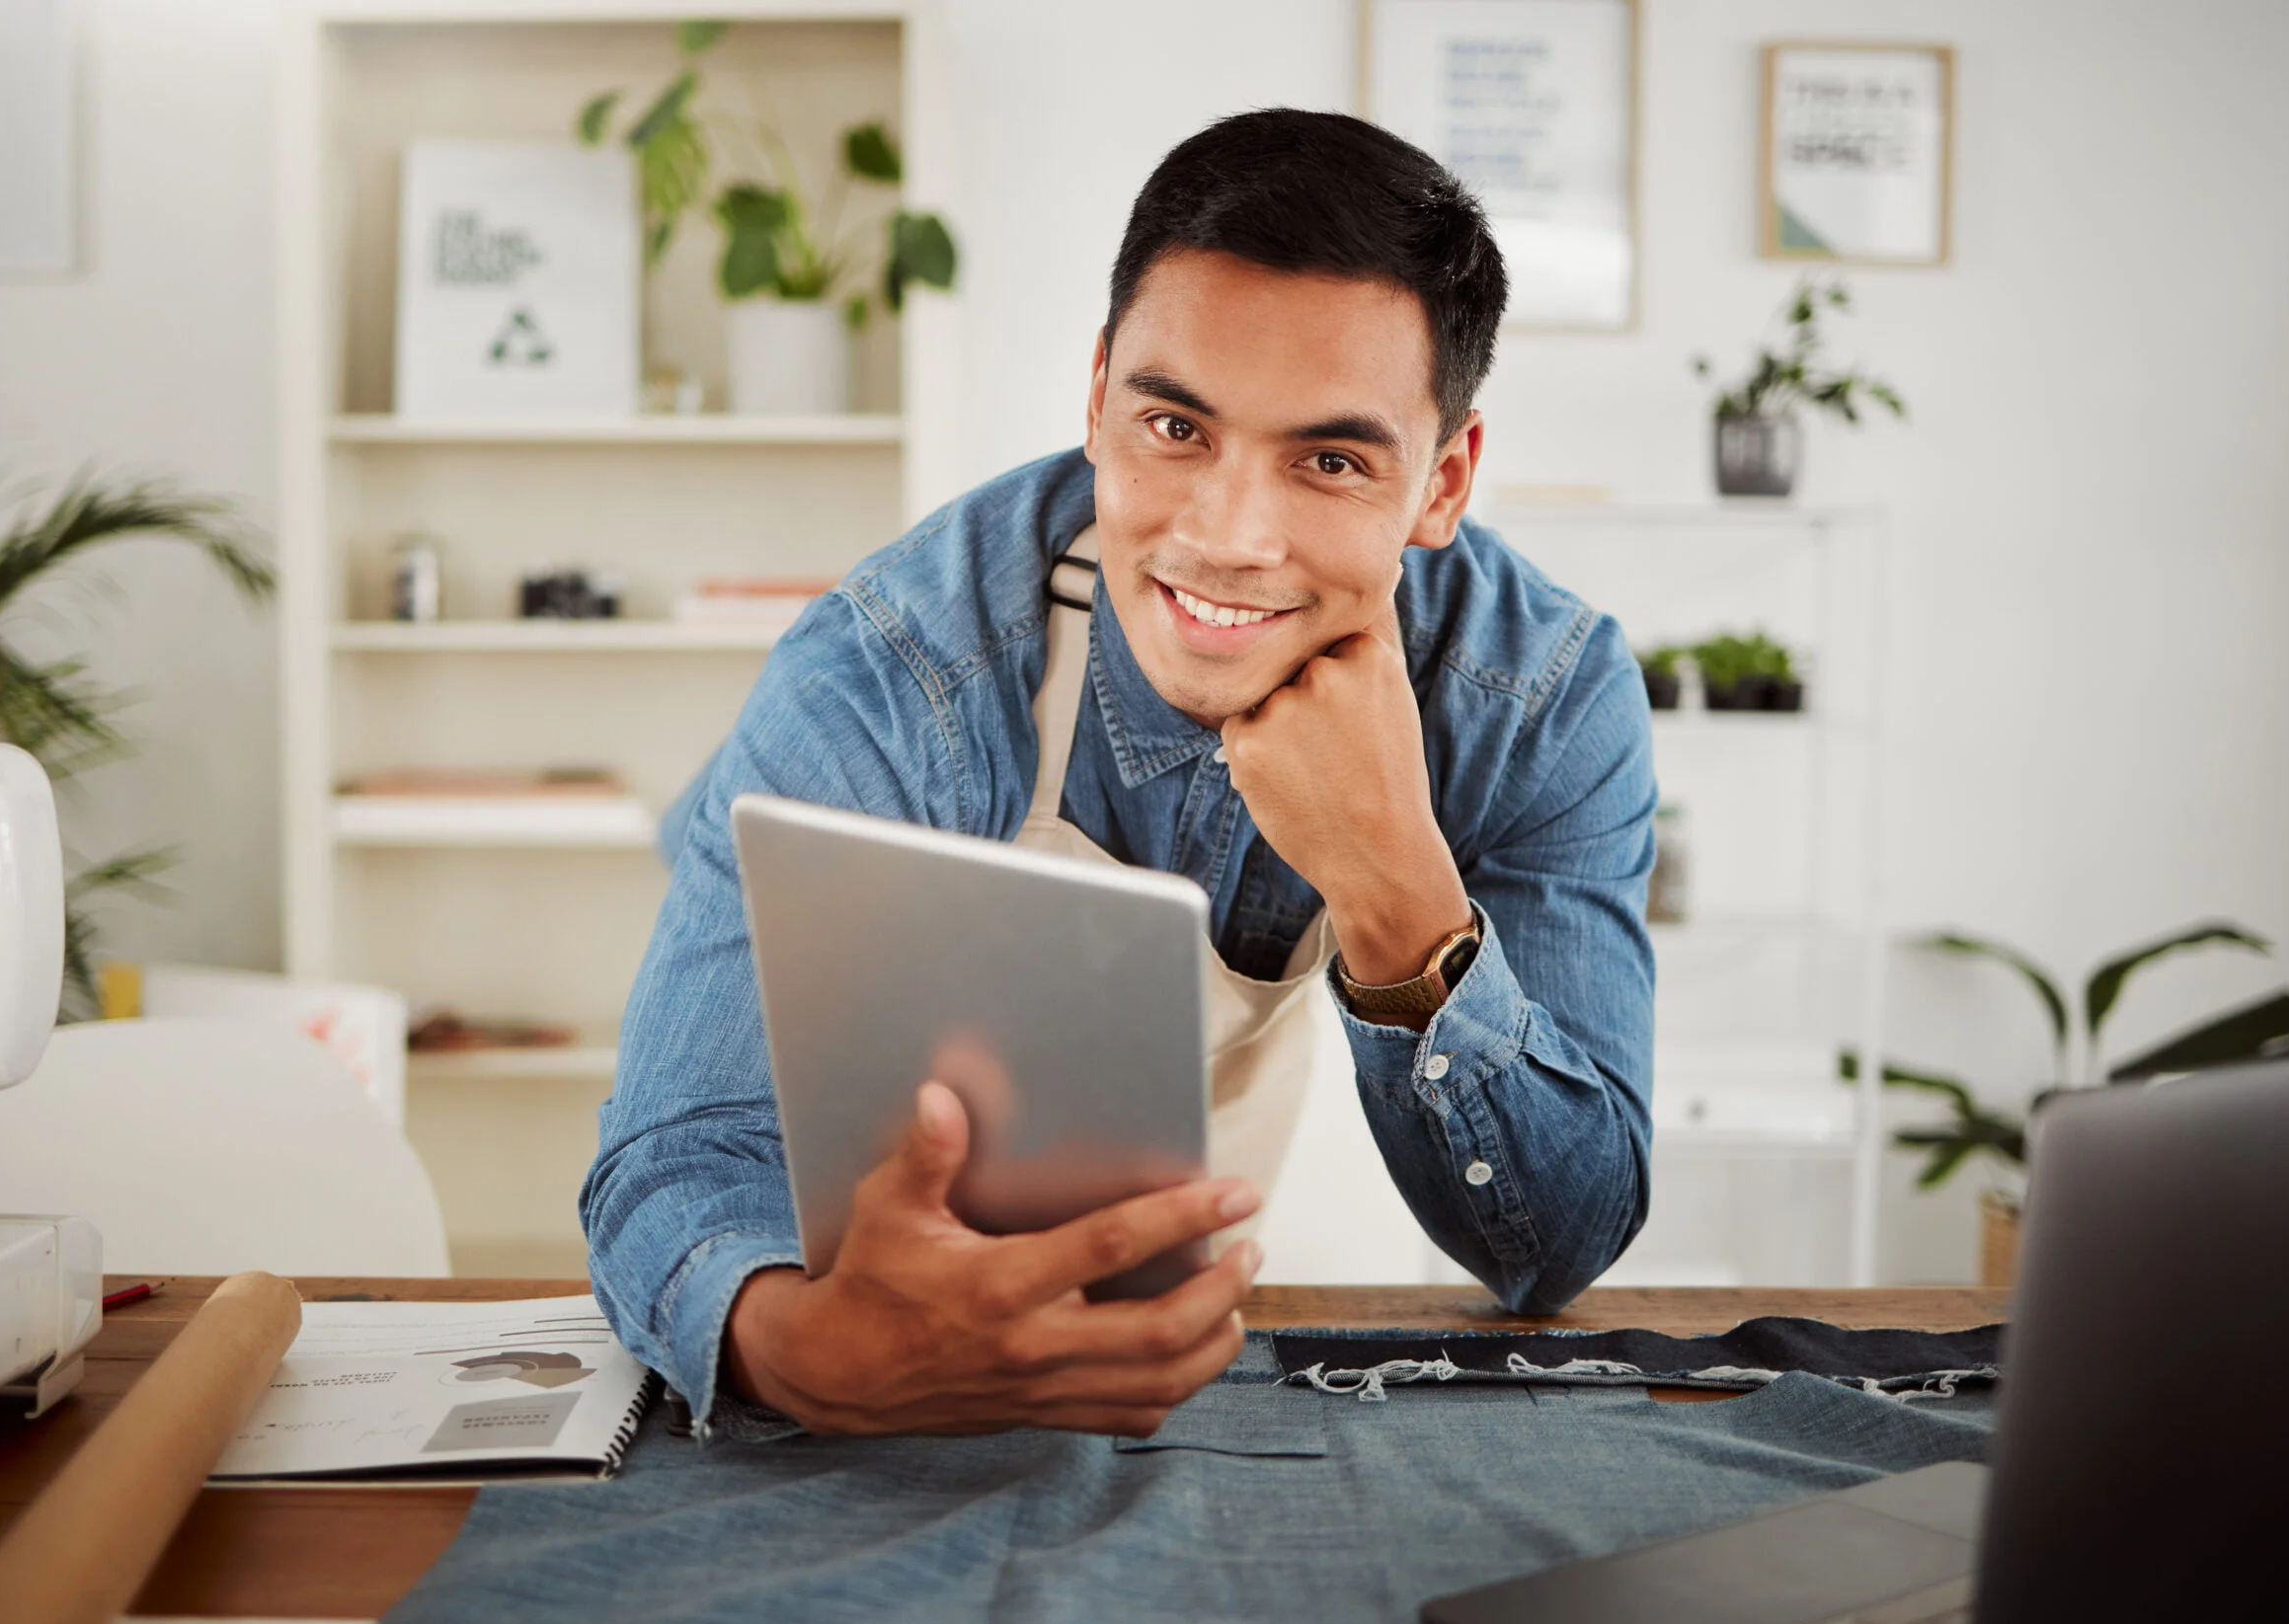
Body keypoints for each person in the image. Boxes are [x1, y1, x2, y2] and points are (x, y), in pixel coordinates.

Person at [586, 109, 1655, 1441]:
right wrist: (808, 1352)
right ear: (1097, 398)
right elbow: (675, 1154)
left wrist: (1396, 888)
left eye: (1329, 460)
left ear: (1443, 483)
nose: (1228, 535)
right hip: (880, 1347)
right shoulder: (896, 661)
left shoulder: (1539, 695)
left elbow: (1557, 1246)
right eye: (1174, 426)